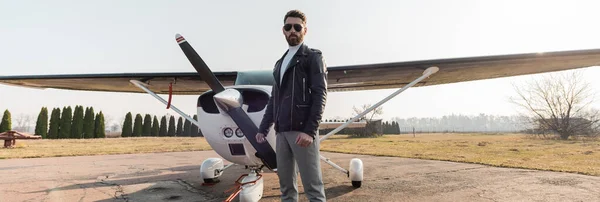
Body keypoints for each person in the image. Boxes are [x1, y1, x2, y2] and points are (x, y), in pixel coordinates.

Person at [256, 9, 328, 202]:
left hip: (302, 132)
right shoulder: (279, 63)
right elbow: (274, 99)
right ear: (283, 30)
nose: (293, 31)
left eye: (297, 27)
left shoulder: (313, 57)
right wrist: (263, 128)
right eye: (289, 27)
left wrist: (310, 131)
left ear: (305, 30)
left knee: (313, 187)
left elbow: (321, 94)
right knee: (286, 188)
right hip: (281, 133)